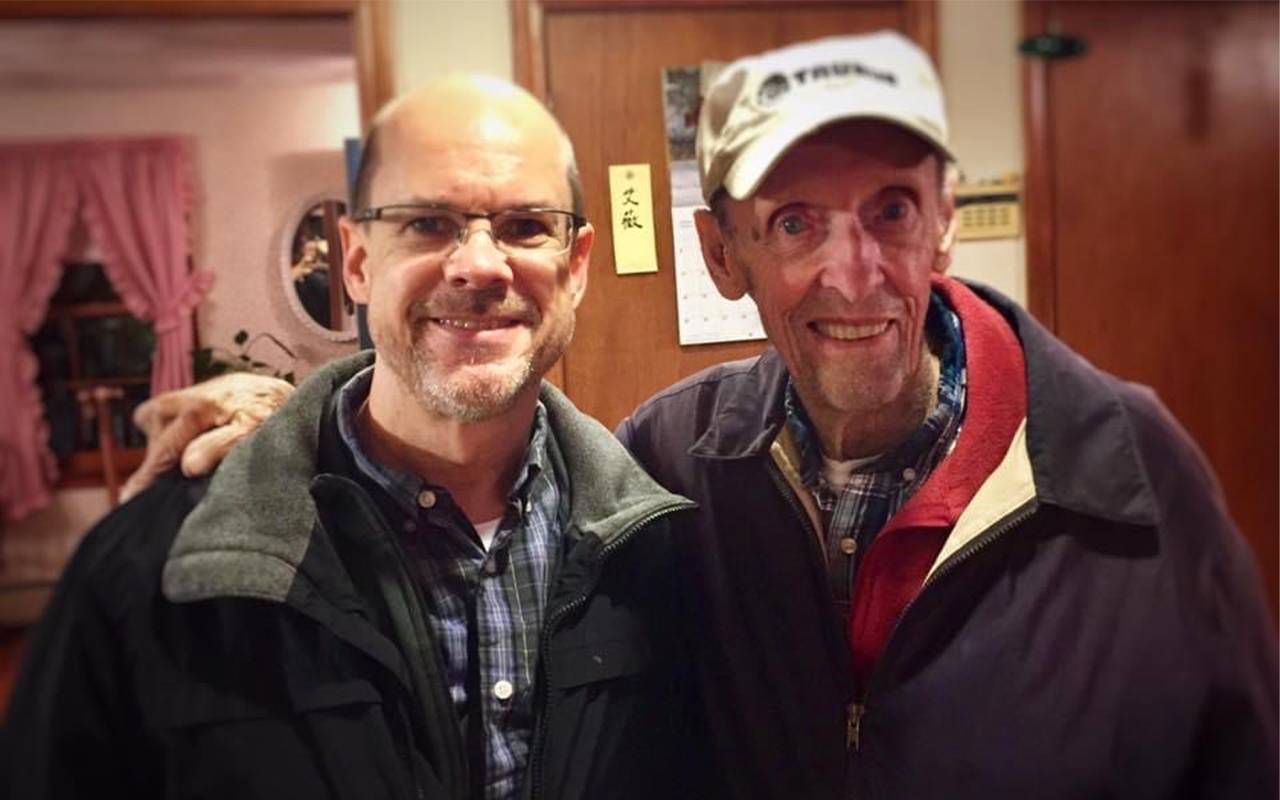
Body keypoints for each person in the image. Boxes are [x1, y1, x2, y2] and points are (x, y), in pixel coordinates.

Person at [110, 33, 1279, 800]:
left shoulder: (1123, 464)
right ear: (721, 252)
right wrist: (289, 420)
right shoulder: (674, 460)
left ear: (943, 222)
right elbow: (486, 462)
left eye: (888, 209)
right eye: (792, 223)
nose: (852, 270)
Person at [2, 75, 702, 800]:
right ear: (358, 260)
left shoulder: (658, 554)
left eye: (527, 226)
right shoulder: (160, 564)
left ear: (576, 266)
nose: (480, 264)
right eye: (427, 223)